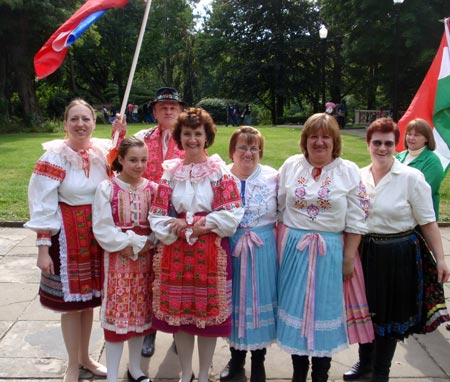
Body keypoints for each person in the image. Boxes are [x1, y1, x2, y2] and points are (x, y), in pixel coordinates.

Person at [343, 117, 450, 382]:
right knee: (364, 311)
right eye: (377, 142)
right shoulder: (358, 175)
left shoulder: (411, 177)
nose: (382, 148)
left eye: (388, 143)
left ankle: (381, 373)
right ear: (368, 144)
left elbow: (428, 222)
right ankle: (365, 363)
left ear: (395, 144)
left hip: (398, 254)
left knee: (389, 318)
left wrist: (441, 259)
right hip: (364, 253)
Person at [149, 107, 244, 382]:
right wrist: (176, 229)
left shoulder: (219, 173)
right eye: (187, 133)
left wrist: (197, 226)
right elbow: (157, 214)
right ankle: (186, 372)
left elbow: (232, 213)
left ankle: (203, 374)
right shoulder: (170, 173)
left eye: (198, 134)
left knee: (207, 319)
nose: (192, 139)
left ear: (207, 137)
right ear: (180, 137)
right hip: (175, 252)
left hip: (210, 252)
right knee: (182, 318)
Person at [277, 113, 368, 382]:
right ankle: (298, 373)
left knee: (325, 312)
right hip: (294, 249)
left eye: (325, 136)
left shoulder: (348, 170)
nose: (319, 142)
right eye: (313, 136)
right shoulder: (291, 166)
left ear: (334, 141)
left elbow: (358, 216)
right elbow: (279, 206)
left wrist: (349, 257)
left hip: (331, 251)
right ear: (305, 140)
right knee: (295, 309)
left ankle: (321, 375)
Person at [24, 99, 110, 382]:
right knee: (71, 307)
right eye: (74, 119)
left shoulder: (102, 153)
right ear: (65, 124)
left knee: (87, 304)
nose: (81, 124)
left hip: (95, 235)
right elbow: (42, 204)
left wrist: (119, 136)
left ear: (94, 123)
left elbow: (122, 171)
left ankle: (86, 357)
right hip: (66, 237)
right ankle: (72, 364)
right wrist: (43, 249)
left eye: (86, 119)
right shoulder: (54, 157)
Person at [113, 86, 185, 357]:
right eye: (163, 108)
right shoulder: (144, 138)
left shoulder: (188, 139)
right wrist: (120, 133)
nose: (168, 111)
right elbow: (117, 160)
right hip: (147, 215)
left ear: (180, 111)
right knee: (149, 277)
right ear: (154, 111)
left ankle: (180, 333)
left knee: (179, 275)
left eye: (173, 108)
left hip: (178, 217)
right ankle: (149, 332)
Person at [93, 136, 157, 382]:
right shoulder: (107, 188)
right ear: (120, 159)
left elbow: (158, 226)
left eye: (143, 160)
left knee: (141, 315)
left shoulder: (152, 189)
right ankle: (112, 374)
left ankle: (135, 368)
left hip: (145, 264)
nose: (139, 165)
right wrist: (134, 243)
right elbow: (102, 228)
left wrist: (148, 242)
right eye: (132, 160)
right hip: (117, 262)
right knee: (117, 318)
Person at [219, 126, 278, 382]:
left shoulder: (273, 177)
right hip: (230, 247)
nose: (248, 152)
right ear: (232, 151)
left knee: (259, 302)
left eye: (254, 148)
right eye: (243, 147)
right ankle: (236, 359)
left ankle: (258, 361)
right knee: (235, 304)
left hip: (263, 248)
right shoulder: (220, 178)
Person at [396, 118, 445, 220]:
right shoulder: (399, 157)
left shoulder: (432, 161)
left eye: (416, 135)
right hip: (397, 215)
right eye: (409, 134)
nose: (411, 138)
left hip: (421, 220)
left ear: (427, 138)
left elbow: (425, 191)